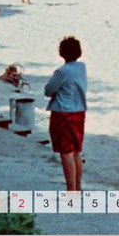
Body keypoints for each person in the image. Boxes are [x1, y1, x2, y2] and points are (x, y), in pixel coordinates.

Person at [44, 37, 87, 191]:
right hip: (79, 111)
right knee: (76, 151)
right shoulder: (82, 67)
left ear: (62, 53)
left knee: (66, 152)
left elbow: (49, 90)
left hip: (63, 112)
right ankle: (78, 186)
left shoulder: (62, 71)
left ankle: (70, 189)